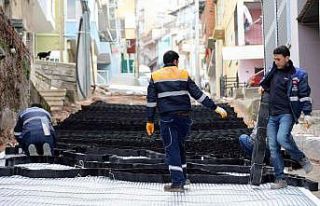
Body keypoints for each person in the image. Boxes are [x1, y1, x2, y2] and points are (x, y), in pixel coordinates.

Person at [145, 50, 227, 192]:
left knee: (172, 148)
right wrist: (215, 108)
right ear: (176, 61)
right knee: (180, 146)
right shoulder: (183, 74)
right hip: (185, 118)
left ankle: (177, 183)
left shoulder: (155, 76)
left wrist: (150, 120)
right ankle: (184, 177)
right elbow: (198, 94)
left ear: (164, 62)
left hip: (168, 119)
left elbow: (151, 101)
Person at [260, 45, 313, 189]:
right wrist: (271, 71)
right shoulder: (274, 72)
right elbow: (264, 84)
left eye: (278, 59)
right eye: (274, 59)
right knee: (273, 147)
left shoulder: (298, 75)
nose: (276, 61)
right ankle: (280, 179)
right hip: (272, 115)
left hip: (287, 114)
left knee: (282, 138)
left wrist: (307, 114)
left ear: (287, 58)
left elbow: (304, 95)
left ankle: (301, 159)